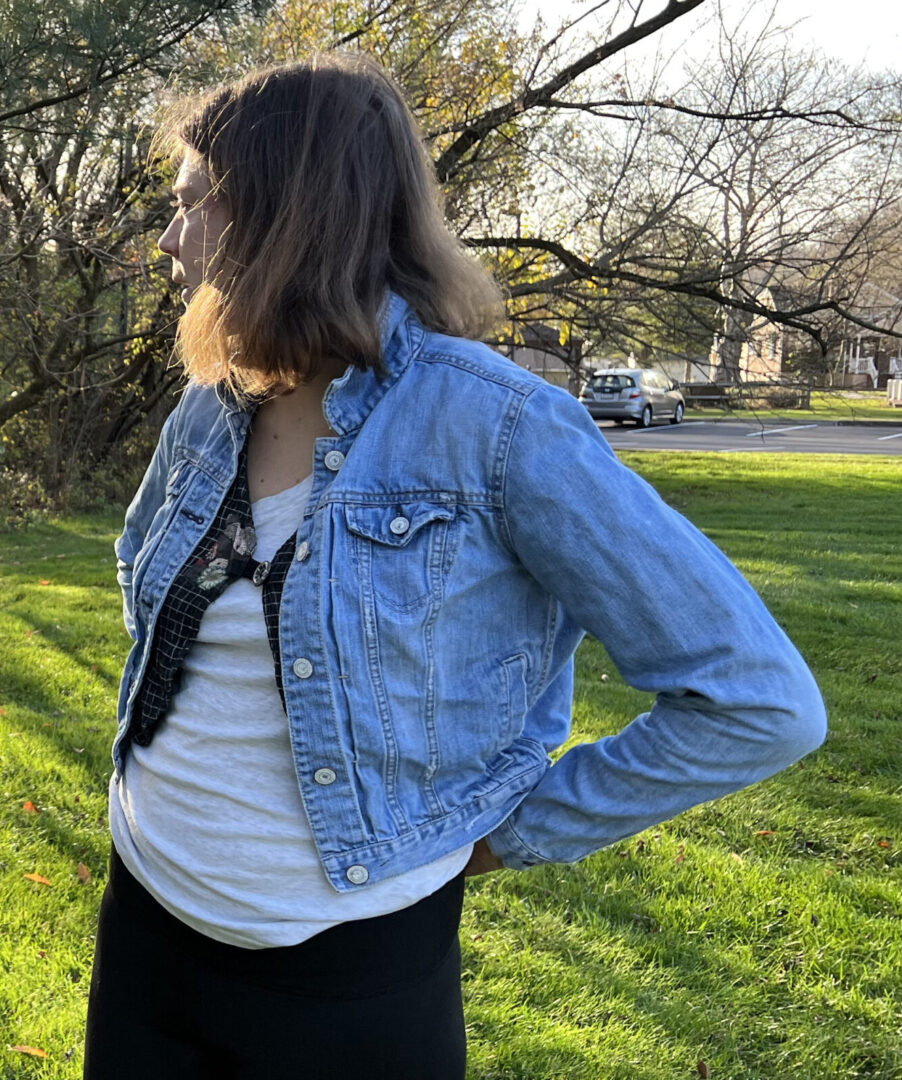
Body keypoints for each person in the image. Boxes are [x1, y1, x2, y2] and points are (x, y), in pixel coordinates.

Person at [86, 55, 825, 1079]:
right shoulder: (214, 402)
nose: (169, 238)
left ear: (286, 213)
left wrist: (502, 833)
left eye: (192, 206)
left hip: (346, 983)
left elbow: (756, 702)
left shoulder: (500, 426)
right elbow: (139, 561)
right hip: (143, 927)